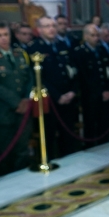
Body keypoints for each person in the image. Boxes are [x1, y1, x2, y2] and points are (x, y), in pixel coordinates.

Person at [0, 22, 32, 175]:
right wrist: (16, 102)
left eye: (6, 34)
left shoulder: (20, 54)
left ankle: (23, 183)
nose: (3, 39)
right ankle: (5, 188)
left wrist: (26, 99)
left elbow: (29, 79)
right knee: (4, 152)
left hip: (22, 110)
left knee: (22, 150)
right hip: (2, 112)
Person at [29, 16, 78, 157]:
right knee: (50, 135)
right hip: (50, 99)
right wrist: (57, 96)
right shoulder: (35, 48)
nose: (51, 29)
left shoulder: (62, 45)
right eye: (47, 26)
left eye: (53, 26)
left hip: (68, 96)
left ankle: (69, 161)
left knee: (68, 133)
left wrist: (72, 91)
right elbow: (38, 77)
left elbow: (72, 69)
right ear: (39, 29)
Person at [73, 24, 109, 146]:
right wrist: (99, 92)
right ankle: (91, 149)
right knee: (91, 125)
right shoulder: (80, 53)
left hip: (105, 95)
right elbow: (84, 77)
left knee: (104, 124)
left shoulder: (102, 50)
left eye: (98, 35)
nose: (96, 38)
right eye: (93, 35)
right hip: (90, 96)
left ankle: (104, 147)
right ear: (86, 36)